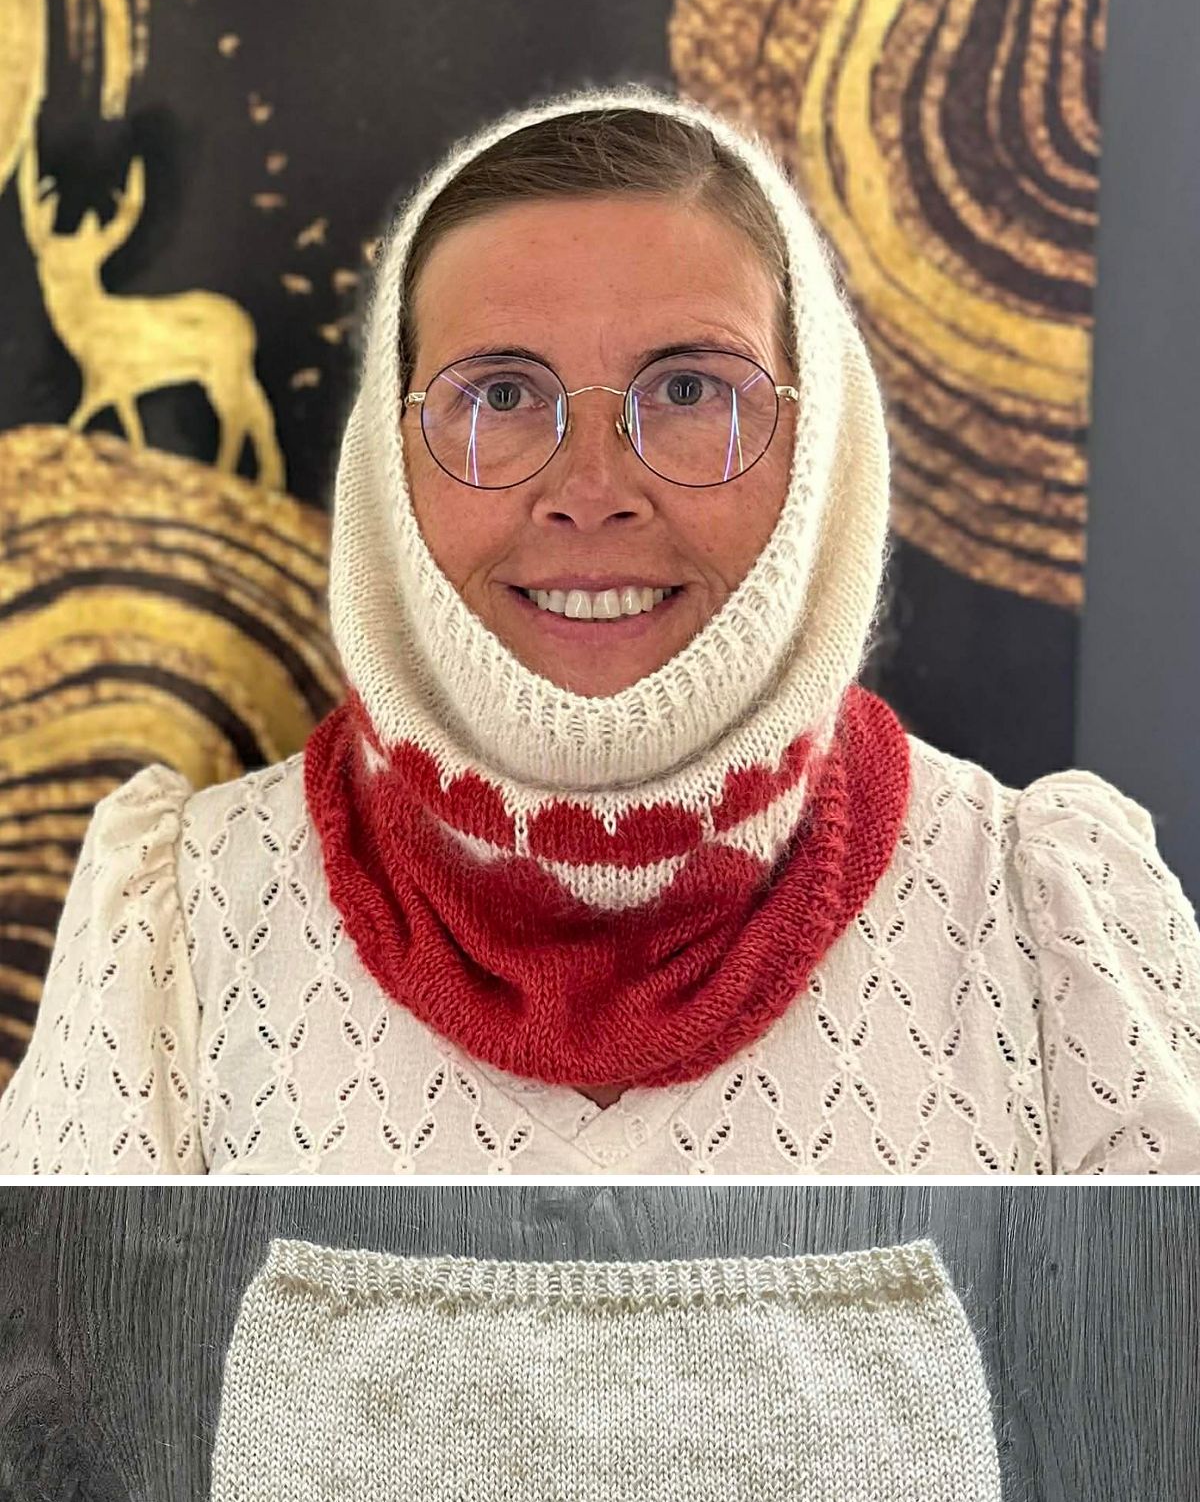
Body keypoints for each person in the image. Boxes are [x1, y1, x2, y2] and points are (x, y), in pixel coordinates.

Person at [2, 82, 1198, 1176]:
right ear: (388, 459)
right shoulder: (174, 930)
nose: (590, 489)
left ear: (817, 447)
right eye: (502, 396)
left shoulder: (1047, 934)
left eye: (689, 391)